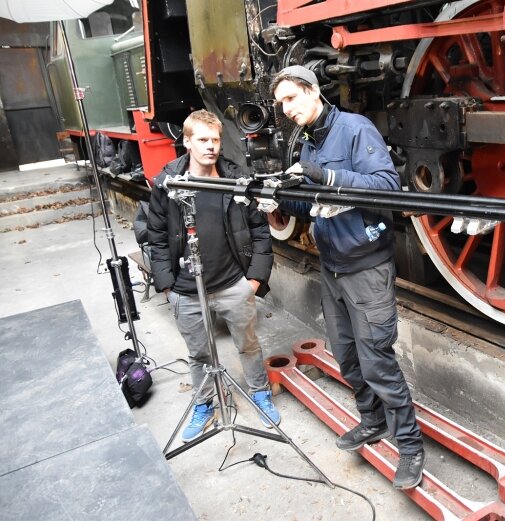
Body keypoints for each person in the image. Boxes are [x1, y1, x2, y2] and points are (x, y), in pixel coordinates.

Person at [269, 65, 425, 490]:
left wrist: (328, 176)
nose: (287, 109)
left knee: (377, 359)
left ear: (313, 91)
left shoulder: (355, 130)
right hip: (333, 266)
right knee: (347, 354)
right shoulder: (307, 146)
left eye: (292, 98)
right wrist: (281, 200)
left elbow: (387, 186)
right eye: (281, 103)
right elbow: (312, 205)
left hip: (367, 266)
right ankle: (372, 421)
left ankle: (410, 448)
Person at [147, 109, 280, 442]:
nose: (211, 147)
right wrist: (167, 286)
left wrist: (253, 281)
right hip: (186, 290)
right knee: (199, 354)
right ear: (187, 142)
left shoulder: (236, 180)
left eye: (216, 140)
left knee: (248, 345)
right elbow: (156, 235)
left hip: (233, 284)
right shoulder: (167, 183)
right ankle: (205, 404)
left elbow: (260, 231)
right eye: (203, 140)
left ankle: (260, 392)